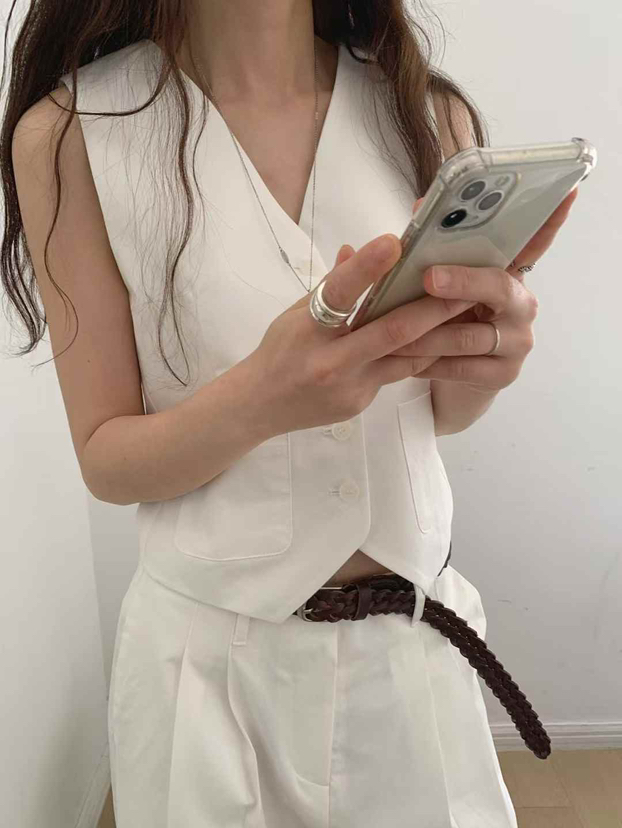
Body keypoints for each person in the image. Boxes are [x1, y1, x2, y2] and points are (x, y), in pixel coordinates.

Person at [4, 0, 575, 825]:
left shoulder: (423, 112)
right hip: (208, 680)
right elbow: (106, 457)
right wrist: (261, 397)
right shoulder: (71, 135)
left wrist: (490, 355)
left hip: (412, 663)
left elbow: (440, 412)